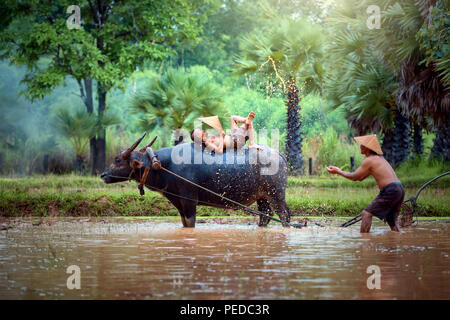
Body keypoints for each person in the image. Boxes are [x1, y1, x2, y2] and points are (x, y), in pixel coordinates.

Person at [326, 135, 404, 233]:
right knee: (392, 221)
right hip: (399, 189)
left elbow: (355, 177)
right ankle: (399, 239)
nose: (360, 147)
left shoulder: (369, 160)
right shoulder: (379, 158)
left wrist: (339, 171)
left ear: (367, 147)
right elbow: (361, 178)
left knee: (366, 214)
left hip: (390, 190)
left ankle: (364, 240)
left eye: (362, 145)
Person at [191, 112, 262, 154]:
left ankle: (245, 120)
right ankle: (251, 143)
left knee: (232, 118)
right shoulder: (208, 142)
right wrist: (221, 137)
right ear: (198, 138)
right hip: (235, 141)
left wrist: (221, 134)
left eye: (200, 130)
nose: (202, 130)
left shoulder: (210, 136)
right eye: (199, 132)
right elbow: (219, 151)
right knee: (248, 124)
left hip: (233, 136)